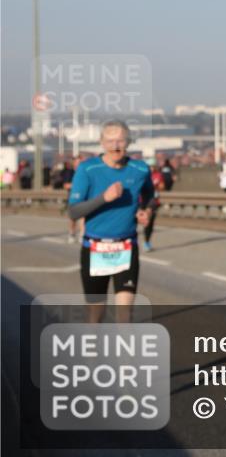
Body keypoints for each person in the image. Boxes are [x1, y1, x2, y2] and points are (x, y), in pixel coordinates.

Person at [67, 121, 154, 323]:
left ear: (129, 142)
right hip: (95, 248)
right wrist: (103, 198)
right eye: (110, 141)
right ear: (101, 143)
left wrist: (146, 210)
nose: (116, 146)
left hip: (126, 247)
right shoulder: (88, 169)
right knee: (96, 315)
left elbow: (150, 194)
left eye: (121, 140)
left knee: (125, 316)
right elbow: (73, 212)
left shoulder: (140, 169)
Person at [142, 167, 166, 251]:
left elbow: (162, 186)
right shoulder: (143, 174)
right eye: (150, 166)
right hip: (142, 202)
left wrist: (156, 187)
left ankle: (146, 241)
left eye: (153, 166)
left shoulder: (158, 175)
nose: (152, 168)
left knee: (149, 222)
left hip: (153, 202)